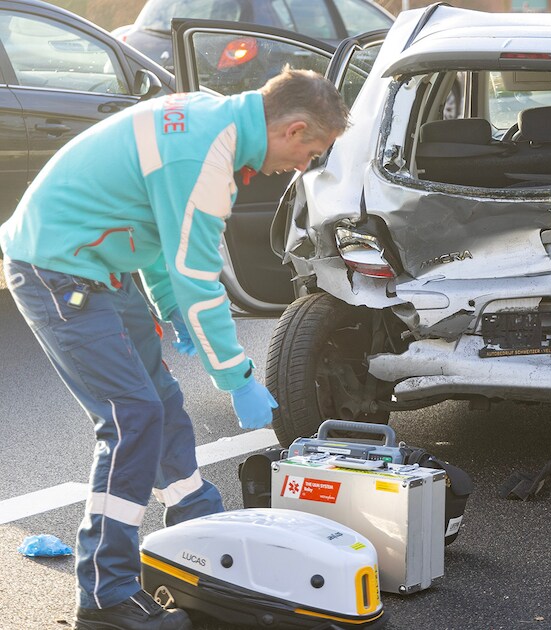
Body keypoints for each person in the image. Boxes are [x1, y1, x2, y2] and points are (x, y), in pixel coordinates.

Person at [0, 67, 349, 630]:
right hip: (55, 267)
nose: (305, 165)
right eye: (311, 150)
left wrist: (166, 308)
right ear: (294, 128)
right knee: (131, 418)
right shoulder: (205, 156)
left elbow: (165, 238)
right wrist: (236, 376)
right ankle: (106, 596)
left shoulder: (219, 125)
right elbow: (198, 280)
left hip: (101, 266)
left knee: (159, 401)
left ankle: (194, 532)